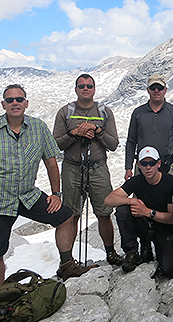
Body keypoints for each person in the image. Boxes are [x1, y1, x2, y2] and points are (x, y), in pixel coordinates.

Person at [0, 84, 90, 284]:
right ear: (3, 104)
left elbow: (50, 161)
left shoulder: (38, 128)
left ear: (26, 103)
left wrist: (56, 193)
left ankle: (67, 266)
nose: (15, 103)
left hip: (26, 195)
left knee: (65, 217)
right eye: (10, 100)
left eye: (19, 99)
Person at [53, 74, 124, 266]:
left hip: (98, 167)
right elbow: (55, 144)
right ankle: (66, 262)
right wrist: (74, 133)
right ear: (76, 89)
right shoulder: (65, 112)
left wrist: (97, 131)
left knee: (104, 212)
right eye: (82, 86)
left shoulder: (104, 112)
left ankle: (110, 253)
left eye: (89, 86)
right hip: (72, 168)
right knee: (70, 215)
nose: (86, 89)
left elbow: (113, 144)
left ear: (94, 89)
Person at [104, 147, 173, 279]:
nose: (148, 167)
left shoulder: (170, 183)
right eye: (144, 164)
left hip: (165, 228)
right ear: (139, 165)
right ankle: (132, 252)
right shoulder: (137, 181)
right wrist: (132, 201)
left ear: (159, 164)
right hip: (145, 226)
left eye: (152, 163)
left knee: (170, 269)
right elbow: (108, 200)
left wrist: (147, 212)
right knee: (122, 210)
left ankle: (157, 248)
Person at [125, 74, 173, 180]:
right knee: (140, 197)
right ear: (148, 90)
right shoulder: (138, 113)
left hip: (167, 167)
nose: (156, 90)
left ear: (165, 90)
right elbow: (131, 141)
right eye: (153, 88)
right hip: (143, 168)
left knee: (168, 197)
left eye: (160, 88)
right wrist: (128, 167)